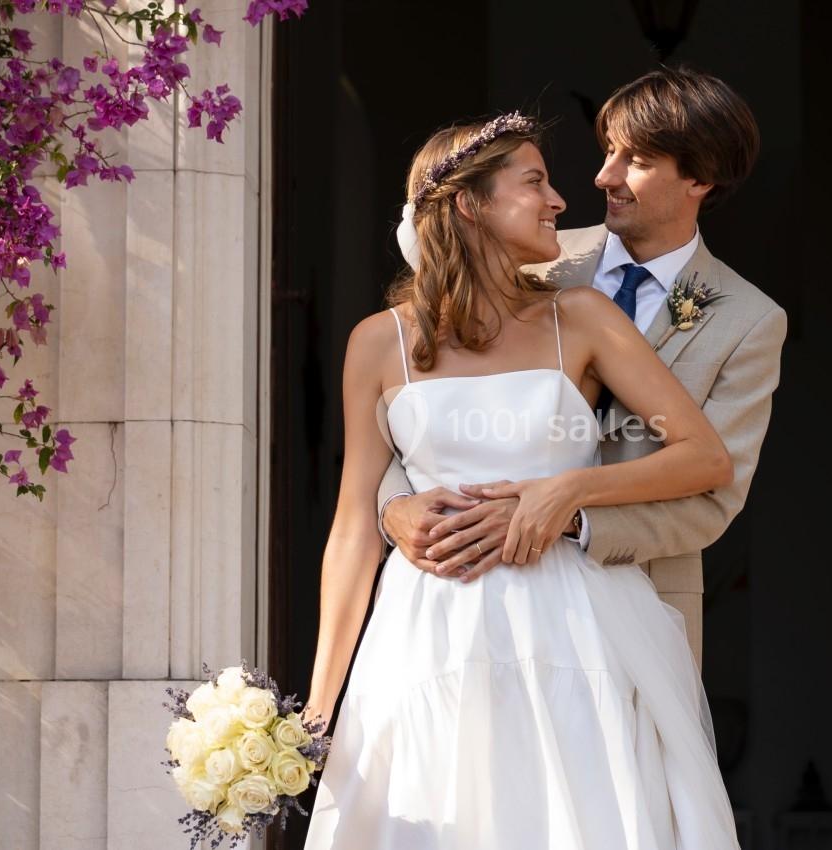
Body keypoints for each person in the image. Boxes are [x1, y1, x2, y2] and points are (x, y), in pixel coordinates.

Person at [303, 112, 742, 848]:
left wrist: (566, 491)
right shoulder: (379, 343)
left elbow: (704, 457)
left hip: (571, 619)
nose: (559, 201)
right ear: (469, 204)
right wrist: (317, 709)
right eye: (534, 181)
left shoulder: (583, 318)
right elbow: (353, 525)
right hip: (428, 633)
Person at [377, 67, 787, 664]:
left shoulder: (749, 320)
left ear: (701, 177)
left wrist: (568, 516)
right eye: (608, 152)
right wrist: (394, 509)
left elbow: (714, 496)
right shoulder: (526, 250)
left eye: (636, 161)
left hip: (643, 605)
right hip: (467, 594)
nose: (603, 177)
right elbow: (406, 400)